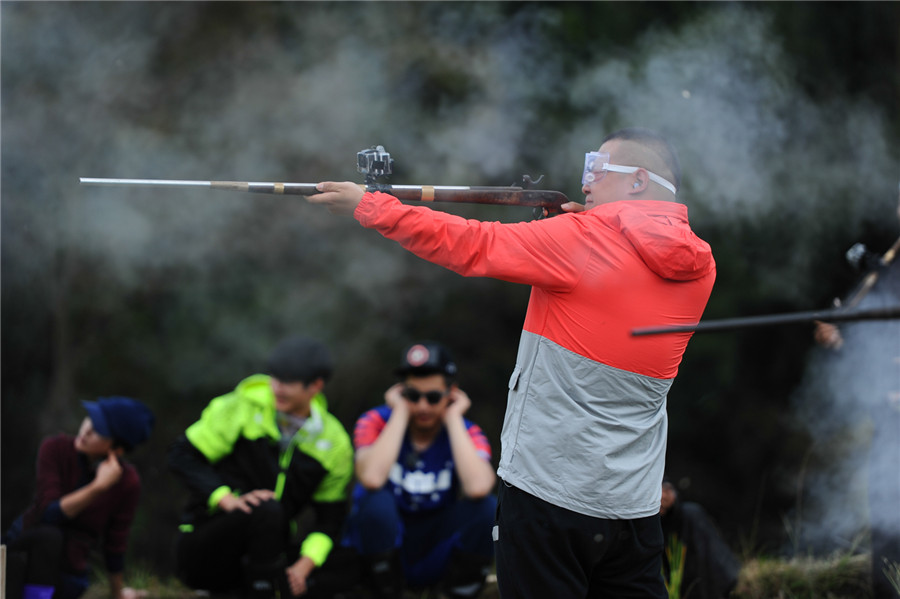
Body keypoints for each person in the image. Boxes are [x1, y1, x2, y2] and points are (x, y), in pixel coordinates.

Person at [306, 127, 716, 598]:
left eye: (597, 170)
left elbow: (472, 244)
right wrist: (594, 224)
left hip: (547, 495)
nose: (585, 182)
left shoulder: (580, 239)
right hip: (632, 503)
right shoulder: (700, 265)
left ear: (638, 180)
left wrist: (372, 207)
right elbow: (626, 257)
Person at [167, 335, 353, 598]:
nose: (277, 388)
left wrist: (303, 567)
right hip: (206, 545)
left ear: (315, 386)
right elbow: (181, 455)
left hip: (268, 550)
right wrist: (226, 499)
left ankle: (259, 587)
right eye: (274, 378)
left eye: (288, 381)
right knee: (266, 509)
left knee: (351, 563)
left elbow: (330, 519)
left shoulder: (334, 442)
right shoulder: (241, 406)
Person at [342, 341, 497, 598]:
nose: (423, 406)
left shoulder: (466, 430)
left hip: (436, 545)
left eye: (433, 397)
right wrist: (400, 413)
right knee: (374, 502)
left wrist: (454, 417)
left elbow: (479, 487)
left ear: (451, 393)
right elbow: (370, 478)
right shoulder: (376, 420)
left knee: (487, 509)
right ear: (402, 393)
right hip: (385, 547)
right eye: (414, 396)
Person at [812, 189, 900, 599]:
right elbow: (880, 346)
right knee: (886, 521)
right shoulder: (890, 268)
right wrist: (841, 341)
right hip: (891, 414)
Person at [3, 396, 155, 599]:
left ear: (117, 449)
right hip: (22, 554)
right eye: (90, 418)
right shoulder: (55, 448)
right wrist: (97, 487)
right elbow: (48, 514)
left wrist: (117, 593)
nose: (87, 429)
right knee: (49, 536)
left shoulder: (127, 482)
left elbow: (115, 543)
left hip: (68, 573)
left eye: (99, 429)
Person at [659, 479, 740, 599]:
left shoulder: (690, 515)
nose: (663, 496)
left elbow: (705, 559)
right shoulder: (659, 522)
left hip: (712, 582)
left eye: (667, 490)